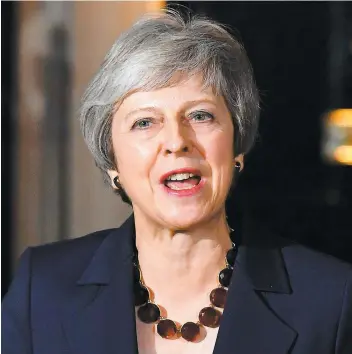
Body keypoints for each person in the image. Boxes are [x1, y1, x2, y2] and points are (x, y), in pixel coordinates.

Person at [2, 9, 352, 354]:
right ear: (113, 162)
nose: (176, 141)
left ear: (236, 144)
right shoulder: (43, 289)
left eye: (200, 115)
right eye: (144, 122)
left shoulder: (330, 299)